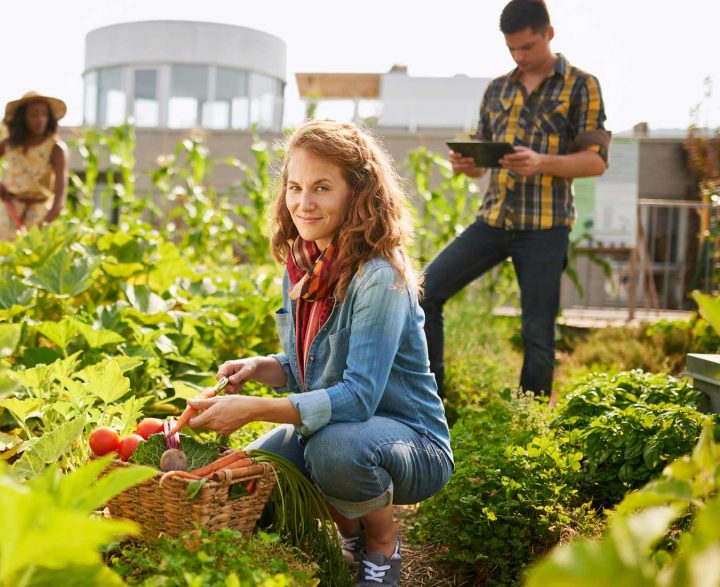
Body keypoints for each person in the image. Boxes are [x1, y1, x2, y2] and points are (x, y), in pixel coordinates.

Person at [185, 120, 454, 586]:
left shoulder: (379, 275)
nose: (303, 203)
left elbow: (357, 398)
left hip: (410, 443)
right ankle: (349, 534)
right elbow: (308, 367)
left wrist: (253, 411)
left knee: (334, 450)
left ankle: (382, 542)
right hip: (334, 430)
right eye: (294, 187)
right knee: (253, 477)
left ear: (358, 193)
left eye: (322, 188)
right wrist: (259, 369)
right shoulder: (304, 265)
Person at [421, 0, 611, 398]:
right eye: (511, 49)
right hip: (493, 221)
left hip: (544, 228)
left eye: (527, 47)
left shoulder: (581, 85)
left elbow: (595, 163)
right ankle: (431, 400)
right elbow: (480, 165)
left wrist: (541, 162)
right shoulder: (498, 89)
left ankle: (532, 416)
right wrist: (466, 163)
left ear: (549, 34)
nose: (519, 56)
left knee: (537, 331)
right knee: (423, 292)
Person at [0, 91, 68, 240]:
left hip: (40, 215)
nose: (40, 120)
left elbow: (59, 201)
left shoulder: (55, 149)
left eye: (44, 114)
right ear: (23, 118)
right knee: (2, 259)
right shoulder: (8, 145)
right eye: (34, 115)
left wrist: (42, 226)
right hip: (9, 213)